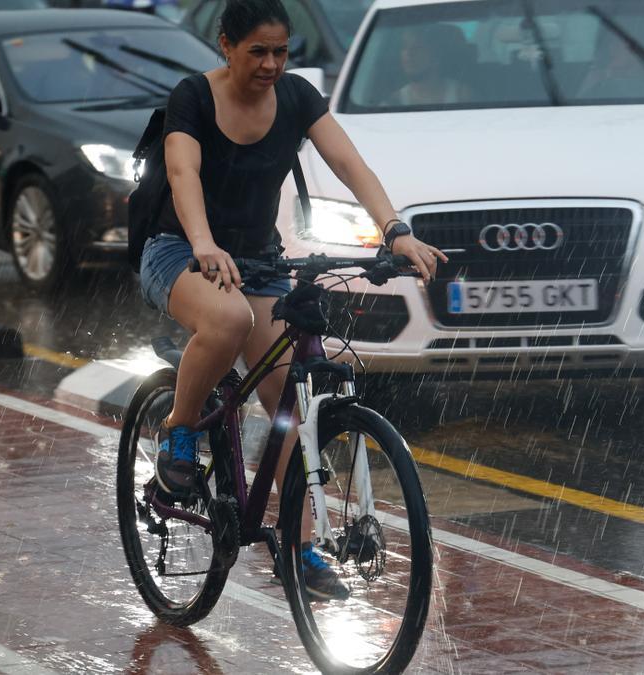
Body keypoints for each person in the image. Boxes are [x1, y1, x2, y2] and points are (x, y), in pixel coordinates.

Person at [138, 0, 446, 600]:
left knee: (288, 405)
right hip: (178, 249)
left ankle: (300, 548)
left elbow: (348, 162)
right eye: (258, 51)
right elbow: (182, 174)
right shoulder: (193, 97)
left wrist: (395, 229)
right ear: (226, 46)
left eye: (281, 52)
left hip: (257, 259)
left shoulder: (299, 97)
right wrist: (203, 244)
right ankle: (178, 432)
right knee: (225, 319)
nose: (271, 64)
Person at [386, 24, 476, 107]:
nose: (408, 53)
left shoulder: (462, 96)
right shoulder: (394, 101)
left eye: (418, 47)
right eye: (404, 47)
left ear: (436, 56)